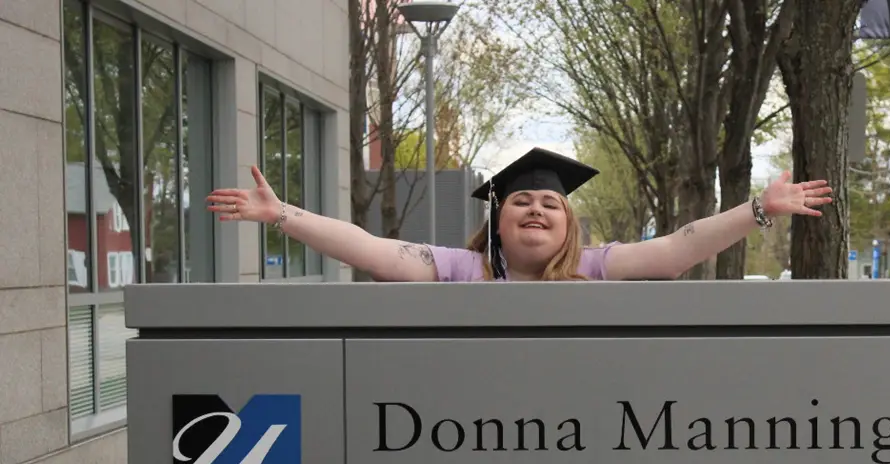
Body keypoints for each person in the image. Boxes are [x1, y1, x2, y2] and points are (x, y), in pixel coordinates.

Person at [205, 147, 832, 282]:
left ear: (569, 224)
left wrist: (758, 210)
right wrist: (284, 214)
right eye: (522, 201)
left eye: (550, 203)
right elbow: (365, 247)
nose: (536, 209)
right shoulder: (456, 270)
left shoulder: (599, 269)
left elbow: (676, 247)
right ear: (497, 219)